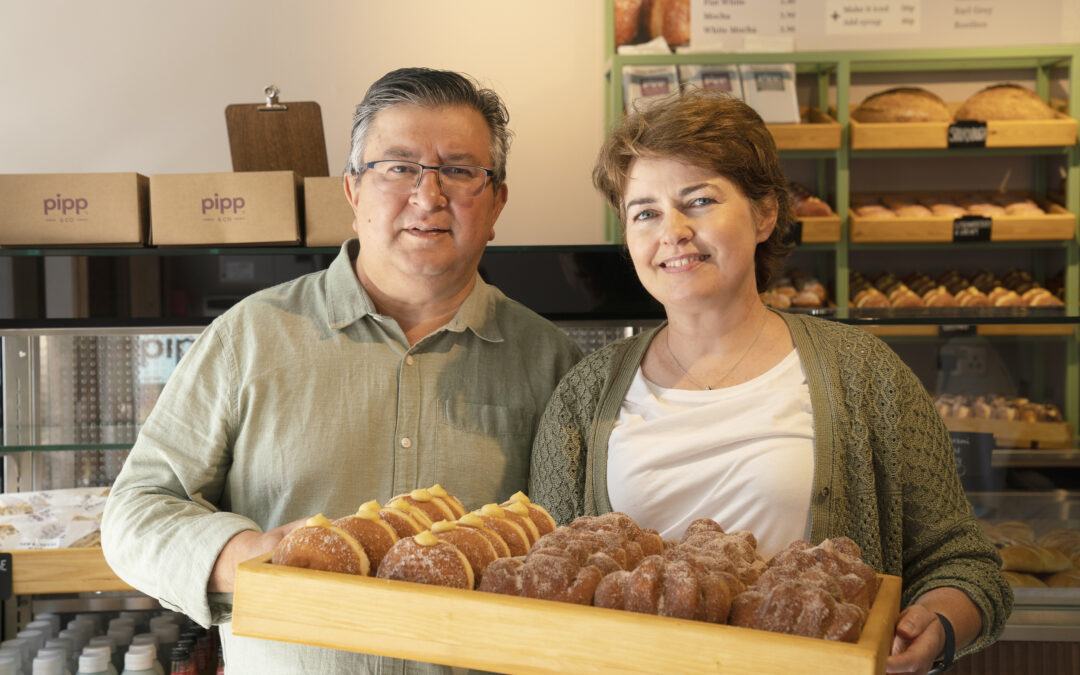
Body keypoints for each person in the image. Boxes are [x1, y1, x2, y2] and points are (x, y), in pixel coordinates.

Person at [103, 67, 583, 674]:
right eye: (399, 167)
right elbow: (138, 509)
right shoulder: (249, 337)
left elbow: (576, 551)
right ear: (353, 191)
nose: (428, 196)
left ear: (496, 202)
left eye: (459, 171)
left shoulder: (552, 363)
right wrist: (246, 554)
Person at [529, 89, 1011, 674]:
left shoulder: (865, 374)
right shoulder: (583, 396)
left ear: (764, 214)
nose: (672, 231)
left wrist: (935, 625)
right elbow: (545, 575)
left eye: (699, 201)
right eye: (645, 212)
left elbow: (962, 562)